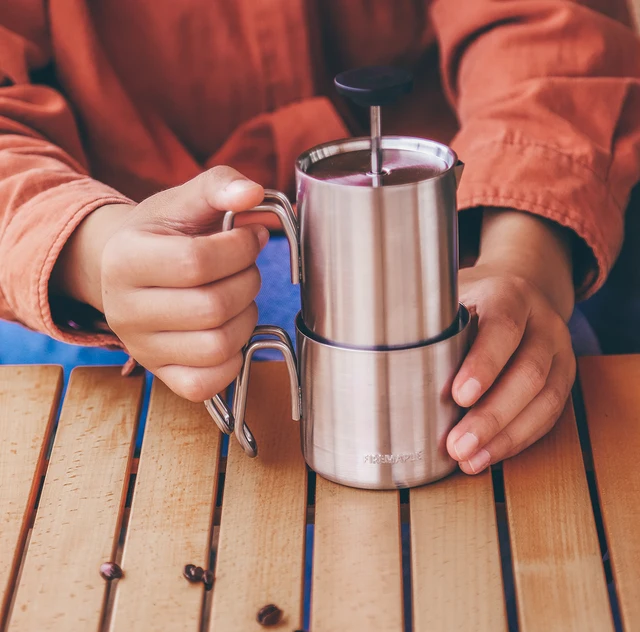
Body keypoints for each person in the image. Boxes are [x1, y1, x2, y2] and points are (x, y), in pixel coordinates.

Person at [1, 1, 639, 475]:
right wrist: (94, 252)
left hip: (474, 233)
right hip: (109, 275)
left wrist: (527, 260)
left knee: (547, 368)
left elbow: (553, 34)